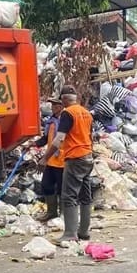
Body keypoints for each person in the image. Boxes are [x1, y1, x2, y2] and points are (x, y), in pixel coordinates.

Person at [41, 86, 94, 244]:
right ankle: (84, 232)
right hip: (88, 156)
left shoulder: (67, 113)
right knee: (85, 196)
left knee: (69, 196)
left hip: (75, 158)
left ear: (64, 99)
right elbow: (90, 135)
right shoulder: (86, 113)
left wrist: (45, 158)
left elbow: (59, 139)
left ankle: (70, 234)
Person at [34, 98, 64, 222]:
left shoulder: (65, 120)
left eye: (55, 105)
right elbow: (47, 138)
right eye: (52, 105)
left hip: (63, 160)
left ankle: (64, 214)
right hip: (51, 159)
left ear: (61, 106)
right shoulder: (51, 121)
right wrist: (34, 144)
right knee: (46, 185)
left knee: (63, 189)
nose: (52, 107)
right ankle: (51, 212)